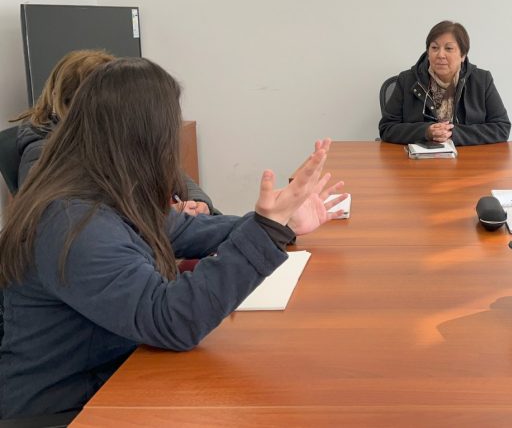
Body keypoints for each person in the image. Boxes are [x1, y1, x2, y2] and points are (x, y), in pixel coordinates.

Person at [0, 58, 347, 419]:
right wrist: (267, 230)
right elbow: (172, 320)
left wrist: (279, 221)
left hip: (116, 377)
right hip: (68, 411)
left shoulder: (106, 190)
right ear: (145, 137)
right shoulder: (74, 224)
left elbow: (189, 230)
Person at [10, 49, 215, 215]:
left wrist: (198, 202)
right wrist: (166, 216)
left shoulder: (112, 133)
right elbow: (88, 218)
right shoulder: (42, 152)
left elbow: (171, 171)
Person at [379, 20, 511, 145]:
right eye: (434, 47)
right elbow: (387, 128)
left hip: (468, 157)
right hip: (419, 157)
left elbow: (502, 128)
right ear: (428, 52)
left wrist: (453, 134)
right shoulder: (407, 80)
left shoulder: (482, 80)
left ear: (463, 55)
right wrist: (426, 132)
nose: (440, 55)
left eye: (448, 48)